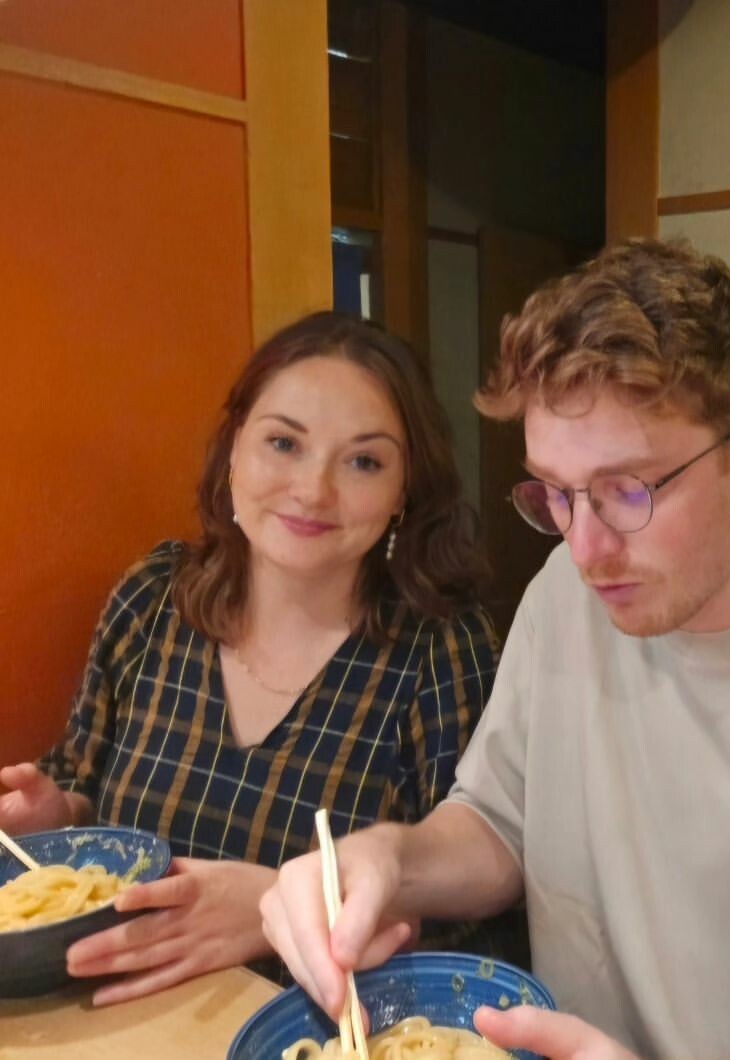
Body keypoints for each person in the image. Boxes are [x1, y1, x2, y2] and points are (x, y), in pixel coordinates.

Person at [261, 240, 730, 1059]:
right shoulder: (566, 591)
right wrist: (387, 860)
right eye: (556, 494)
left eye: (628, 490)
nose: (585, 547)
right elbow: (498, 823)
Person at [0, 311, 500, 1004]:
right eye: (283, 443)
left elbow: (471, 922)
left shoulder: (441, 652)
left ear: (404, 491)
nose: (313, 490)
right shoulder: (153, 600)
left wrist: (275, 913)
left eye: (363, 461)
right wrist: (52, 817)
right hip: (110, 1023)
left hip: (312, 1030)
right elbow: (83, 780)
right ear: (234, 447)